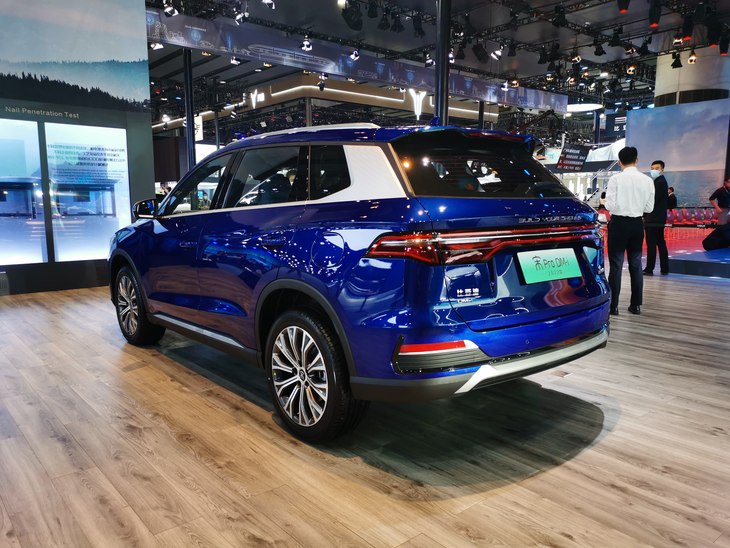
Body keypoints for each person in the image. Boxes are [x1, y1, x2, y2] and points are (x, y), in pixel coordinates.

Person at [604, 146, 655, 316]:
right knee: (635, 263)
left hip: (619, 224)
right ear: (637, 160)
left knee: (616, 265)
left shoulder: (615, 179)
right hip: (637, 224)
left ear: (620, 162)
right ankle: (636, 305)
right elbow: (649, 208)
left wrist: (606, 203)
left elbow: (610, 206)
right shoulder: (648, 181)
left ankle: (613, 306)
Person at [643, 160, 669, 276]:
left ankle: (649, 269)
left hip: (653, 218)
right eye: (652, 168)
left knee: (652, 244)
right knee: (660, 243)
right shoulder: (661, 181)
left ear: (662, 170)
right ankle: (664, 268)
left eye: (657, 168)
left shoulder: (659, 182)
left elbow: (652, 201)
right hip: (659, 217)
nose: (654, 170)